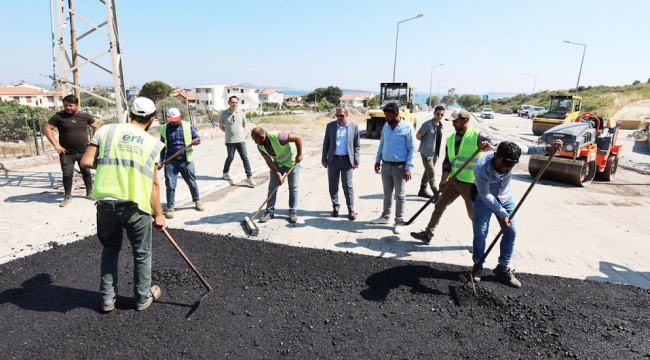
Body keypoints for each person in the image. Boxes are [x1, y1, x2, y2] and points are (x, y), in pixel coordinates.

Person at [80, 97, 166, 312]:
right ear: (152, 119)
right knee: (142, 254)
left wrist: (110, 164)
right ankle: (141, 299)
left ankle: (108, 300)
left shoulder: (105, 131)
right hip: (136, 206)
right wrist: (159, 214)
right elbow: (154, 183)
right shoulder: (152, 143)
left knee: (110, 250)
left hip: (106, 204)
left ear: (130, 114)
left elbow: (86, 162)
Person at [471, 140, 563, 287]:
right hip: (483, 198)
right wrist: (502, 214)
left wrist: (548, 149)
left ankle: (502, 268)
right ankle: (477, 265)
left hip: (505, 197)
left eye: (509, 166)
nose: (504, 169)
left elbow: (531, 148)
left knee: (511, 231)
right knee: (480, 232)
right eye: (502, 164)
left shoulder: (513, 151)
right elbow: (486, 194)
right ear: (495, 155)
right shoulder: (481, 167)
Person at [411, 109, 494, 244]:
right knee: (439, 205)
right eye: (452, 121)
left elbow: (494, 145)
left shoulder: (477, 135)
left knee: (473, 214)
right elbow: (448, 161)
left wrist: (489, 146)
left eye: (456, 121)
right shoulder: (450, 138)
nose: (453, 124)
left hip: (471, 183)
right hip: (454, 180)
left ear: (465, 121)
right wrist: (444, 179)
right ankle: (428, 234)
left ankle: (478, 242)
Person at [43, 94, 100, 207]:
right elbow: (47, 129)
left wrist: (92, 142)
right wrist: (56, 145)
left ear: (77, 105)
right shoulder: (58, 116)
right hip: (66, 153)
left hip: (83, 151)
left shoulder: (85, 116)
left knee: (86, 173)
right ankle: (67, 196)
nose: (68, 108)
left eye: (70, 105)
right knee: (67, 174)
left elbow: (96, 127)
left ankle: (89, 193)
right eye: (65, 105)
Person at [370, 102, 416, 235]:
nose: (386, 118)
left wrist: (408, 168)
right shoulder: (386, 126)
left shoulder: (407, 128)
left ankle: (399, 221)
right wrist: (377, 160)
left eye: (388, 116)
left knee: (400, 195)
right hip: (386, 166)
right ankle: (385, 217)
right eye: (385, 116)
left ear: (397, 114)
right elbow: (382, 144)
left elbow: (412, 149)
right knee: (387, 194)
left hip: (400, 167)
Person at [158, 107, 203, 219]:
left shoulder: (187, 126)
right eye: (171, 120)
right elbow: (162, 147)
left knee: (192, 182)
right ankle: (170, 207)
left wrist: (196, 140)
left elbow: (198, 137)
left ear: (180, 117)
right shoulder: (164, 128)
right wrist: (160, 161)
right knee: (170, 185)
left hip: (185, 161)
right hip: (170, 162)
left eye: (176, 120)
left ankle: (197, 201)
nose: (174, 122)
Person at [251, 126, 302, 223]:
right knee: (272, 187)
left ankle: (293, 212)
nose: (254, 142)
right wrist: (278, 174)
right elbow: (269, 161)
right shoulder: (260, 146)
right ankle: (269, 212)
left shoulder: (279, 137)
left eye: (255, 139)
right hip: (278, 164)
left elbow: (297, 138)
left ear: (262, 137)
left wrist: (299, 154)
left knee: (293, 187)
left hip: (292, 162)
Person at [322, 104, 360, 220]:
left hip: (347, 161)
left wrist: (356, 160)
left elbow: (356, 145)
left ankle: (351, 209)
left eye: (341, 115)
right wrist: (324, 159)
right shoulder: (330, 126)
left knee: (347, 185)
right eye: (337, 115)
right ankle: (335, 206)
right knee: (333, 185)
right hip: (333, 160)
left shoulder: (354, 126)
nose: (339, 117)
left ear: (347, 115)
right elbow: (326, 144)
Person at [219, 96, 255, 187]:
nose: (234, 104)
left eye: (236, 102)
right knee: (230, 157)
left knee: (245, 158)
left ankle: (249, 177)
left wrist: (237, 132)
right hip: (230, 140)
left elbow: (243, 124)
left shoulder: (242, 113)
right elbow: (220, 126)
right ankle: (225, 172)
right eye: (232, 102)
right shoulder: (224, 113)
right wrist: (228, 132)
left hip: (241, 140)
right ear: (229, 103)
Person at [416, 105, 444, 198]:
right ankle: (436, 195)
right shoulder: (427, 124)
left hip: (435, 153)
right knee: (431, 172)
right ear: (434, 113)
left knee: (427, 171)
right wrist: (426, 143)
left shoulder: (441, 125)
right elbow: (418, 136)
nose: (440, 116)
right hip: (426, 153)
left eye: (442, 114)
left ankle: (422, 189)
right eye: (438, 114)